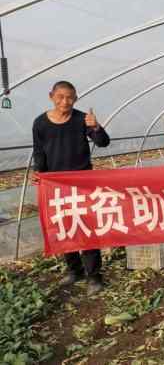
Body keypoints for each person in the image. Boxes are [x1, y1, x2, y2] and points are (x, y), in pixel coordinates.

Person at [32, 80, 110, 295]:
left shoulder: (81, 119)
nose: (65, 101)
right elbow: (40, 152)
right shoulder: (40, 123)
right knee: (65, 228)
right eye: (60, 97)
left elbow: (103, 142)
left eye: (70, 97)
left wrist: (95, 126)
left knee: (86, 229)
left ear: (75, 98)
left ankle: (94, 276)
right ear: (51, 96)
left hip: (83, 184)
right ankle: (74, 270)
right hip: (57, 185)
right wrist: (40, 173)